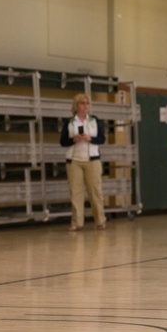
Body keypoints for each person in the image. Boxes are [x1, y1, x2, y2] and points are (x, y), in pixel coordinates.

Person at [59, 93, 107, 232]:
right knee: (76, 193)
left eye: (87, 103)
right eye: (82, 103)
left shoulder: (94, 121)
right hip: (74, 161)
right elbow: (63, 142)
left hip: (92, 160)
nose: (85, 106)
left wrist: (89, 138)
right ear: (76, 105)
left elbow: (102, 139)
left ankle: (100, 221)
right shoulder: (69, 122)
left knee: (95, 191)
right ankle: (76, 223)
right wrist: (73, 139)